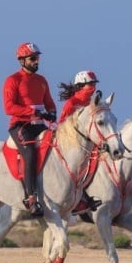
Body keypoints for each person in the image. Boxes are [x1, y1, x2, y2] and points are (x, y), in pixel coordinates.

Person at [2, 42, 57, 217]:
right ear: (22, 61)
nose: (36, 62)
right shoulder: (13, 80)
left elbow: (49, 102)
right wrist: (33, 111)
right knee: (30, 153)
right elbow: (9, 108)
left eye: (37, 58)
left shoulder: (42, 81)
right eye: (33, 58)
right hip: (21, 126)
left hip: (40, 125)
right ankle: (31, 198)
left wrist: (52, 113)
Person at [58, 70, 102, 216]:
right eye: (90, 84)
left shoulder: (92, 103)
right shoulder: (72, 103)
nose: (93, 87)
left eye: (94, 84)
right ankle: (79, 198)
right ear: (81, 85)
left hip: (90, 144)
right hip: (72, 145)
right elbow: (61, 125)